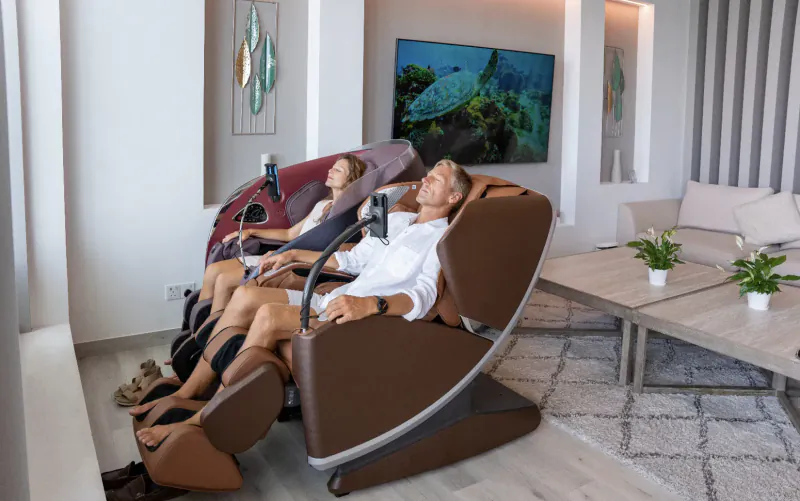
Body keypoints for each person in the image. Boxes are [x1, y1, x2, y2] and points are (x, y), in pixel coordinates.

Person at [132, 160, 472, 448]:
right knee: (247, 295)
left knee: (267, 315)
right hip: (332, 299)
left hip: (356, 316)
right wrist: (292, 254)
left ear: (454, 197)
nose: (425, 179)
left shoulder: (443, 240)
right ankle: (190, 390)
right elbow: (350, 260)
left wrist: (372, 305)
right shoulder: (398, 222)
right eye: (429, 173)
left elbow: (423, 296)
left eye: (436, 179)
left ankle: (202, 419)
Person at [197, 153, 368, 312]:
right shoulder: (322, 205)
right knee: (213, 270)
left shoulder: (348, 217)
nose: (330, 170)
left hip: (294, 263)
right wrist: (250, 231)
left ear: (350, 179)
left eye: (338, 170)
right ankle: (196, 328)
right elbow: (290, 235)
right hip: (283, 255)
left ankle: (211, 334)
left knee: (224, 281)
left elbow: (334, 254)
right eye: (332, 167)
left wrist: (288, 255)